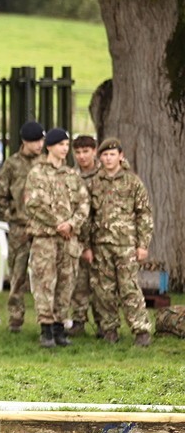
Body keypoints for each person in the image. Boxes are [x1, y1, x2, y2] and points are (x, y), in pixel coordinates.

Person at [82, 137, 153, 346]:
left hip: (126, 246)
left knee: (129, 288)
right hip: (101, 245)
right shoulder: (94, 183)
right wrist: (86, 246)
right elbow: (87, 216)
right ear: (100, 157)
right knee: (104, 290)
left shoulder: (133, 182)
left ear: (120, 156)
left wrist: (143, 245)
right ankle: (109, 329)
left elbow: (144, 214)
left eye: (112, 154)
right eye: (104, 155)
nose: (108, 158)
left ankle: (141, 330)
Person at [24, 127, 89, 348]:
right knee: (45, 283)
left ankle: (60, 328)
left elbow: (84, 204)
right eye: (61, 144)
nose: (65, 149)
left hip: (68, 239)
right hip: (45, 239)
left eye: (66, 145)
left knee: (66, 283)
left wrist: (71, 223)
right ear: (50, 146)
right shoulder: (37, 172)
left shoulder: (72, 175)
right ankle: (46, 329)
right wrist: (57, 223)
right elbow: (33, 203)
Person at [0, 120, 46, 332]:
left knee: (45, 273)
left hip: (43, 227)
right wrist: (11, 216)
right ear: (25, 141)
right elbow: (0, 194)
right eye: (35, 141)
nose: (39, 145)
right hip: (20, 227)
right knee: (17, 274)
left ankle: (47, 319)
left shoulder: (46, 162)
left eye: (42, 140)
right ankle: (16, 318)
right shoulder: (12, 164)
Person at [67, 134, 100, 335]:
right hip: (79, 236)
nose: (81, 156)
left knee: (101, 284)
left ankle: (103, 323)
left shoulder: (104, 174)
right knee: (79, 282)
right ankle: (79, 321)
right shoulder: (72, 176)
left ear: (94, 151)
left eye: (86, 151)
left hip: (103, 235)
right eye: (78, 152)